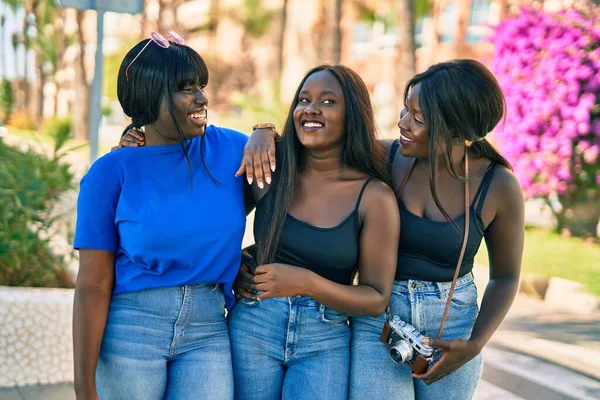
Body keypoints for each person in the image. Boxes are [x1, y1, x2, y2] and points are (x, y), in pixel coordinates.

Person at [239, 59, 524, 400]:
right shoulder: (386, 156)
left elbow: (505, 277)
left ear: (456, 130)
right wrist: (264, 132)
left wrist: (475, 343)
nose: (402, 123)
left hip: (452, 318)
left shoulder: (497, 185)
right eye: (406, 110)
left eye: (418, 119)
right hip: (382, 318)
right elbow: (318, 142)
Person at [72, 31, 272, 400]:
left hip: (209, 328)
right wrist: (84, 386)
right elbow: (93, 283)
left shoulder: (231, 149)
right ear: (151, 96)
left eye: (201, 86)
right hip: (132, 326)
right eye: (186, 88)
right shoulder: (110, 173)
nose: (202, 98)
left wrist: (267, 131)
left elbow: (297, 198)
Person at [228, 64, 399, 400]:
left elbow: (376, 298)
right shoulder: (270, 168)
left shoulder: (374, 197)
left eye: (328, 102)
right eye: (303, 100)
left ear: (354, 115)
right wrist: (233, 264)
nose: (310, 109)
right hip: (253, 325)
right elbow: (202, 224)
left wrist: (307, 283)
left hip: (324, 339)